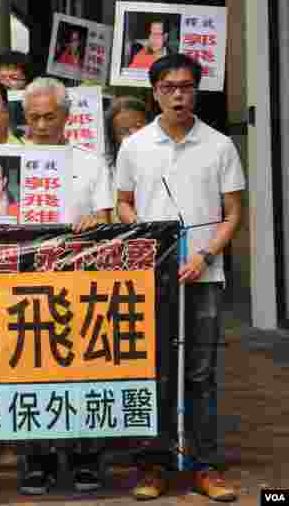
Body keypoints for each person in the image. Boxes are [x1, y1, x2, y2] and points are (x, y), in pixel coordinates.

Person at [116, 54, 244, 503]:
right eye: (168, 87)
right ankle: (154, 465)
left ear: (196, 91)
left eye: (186, 86)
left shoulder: (219, 145)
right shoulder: (134, 146)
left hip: (204, 276)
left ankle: (204, 466)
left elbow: (233, 214)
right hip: (155, 276)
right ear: (154, 93)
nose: (177, 94)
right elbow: (124, 205)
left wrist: (206, 254)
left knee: (201, 373)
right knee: (154, 369)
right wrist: (153, 244)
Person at [17, 78, 114, 494]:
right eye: (34, 117)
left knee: (81, 369)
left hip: (78, 281)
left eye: (49, 116)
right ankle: (36, 460)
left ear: (67, 116)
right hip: (23, 282)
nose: (41, 125)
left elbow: (109, 218)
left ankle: (84, 458)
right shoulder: (7, 159)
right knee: (28, 370)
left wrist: (97, 221)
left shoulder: (91, 161)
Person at [105, 95, 149, 169]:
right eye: (124, 131)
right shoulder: (105, 171)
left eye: (138, 127)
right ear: (114, 138)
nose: (133, 134)